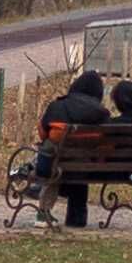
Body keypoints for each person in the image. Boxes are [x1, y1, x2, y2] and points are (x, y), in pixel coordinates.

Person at [34, 62, 109, 232]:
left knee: (54, 157)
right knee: (78, 163)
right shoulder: (101, 113)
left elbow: (43, 132)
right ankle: (77, 219)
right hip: (86, 165)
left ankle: (43, 211)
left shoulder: (58, 106)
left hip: (56, 163)